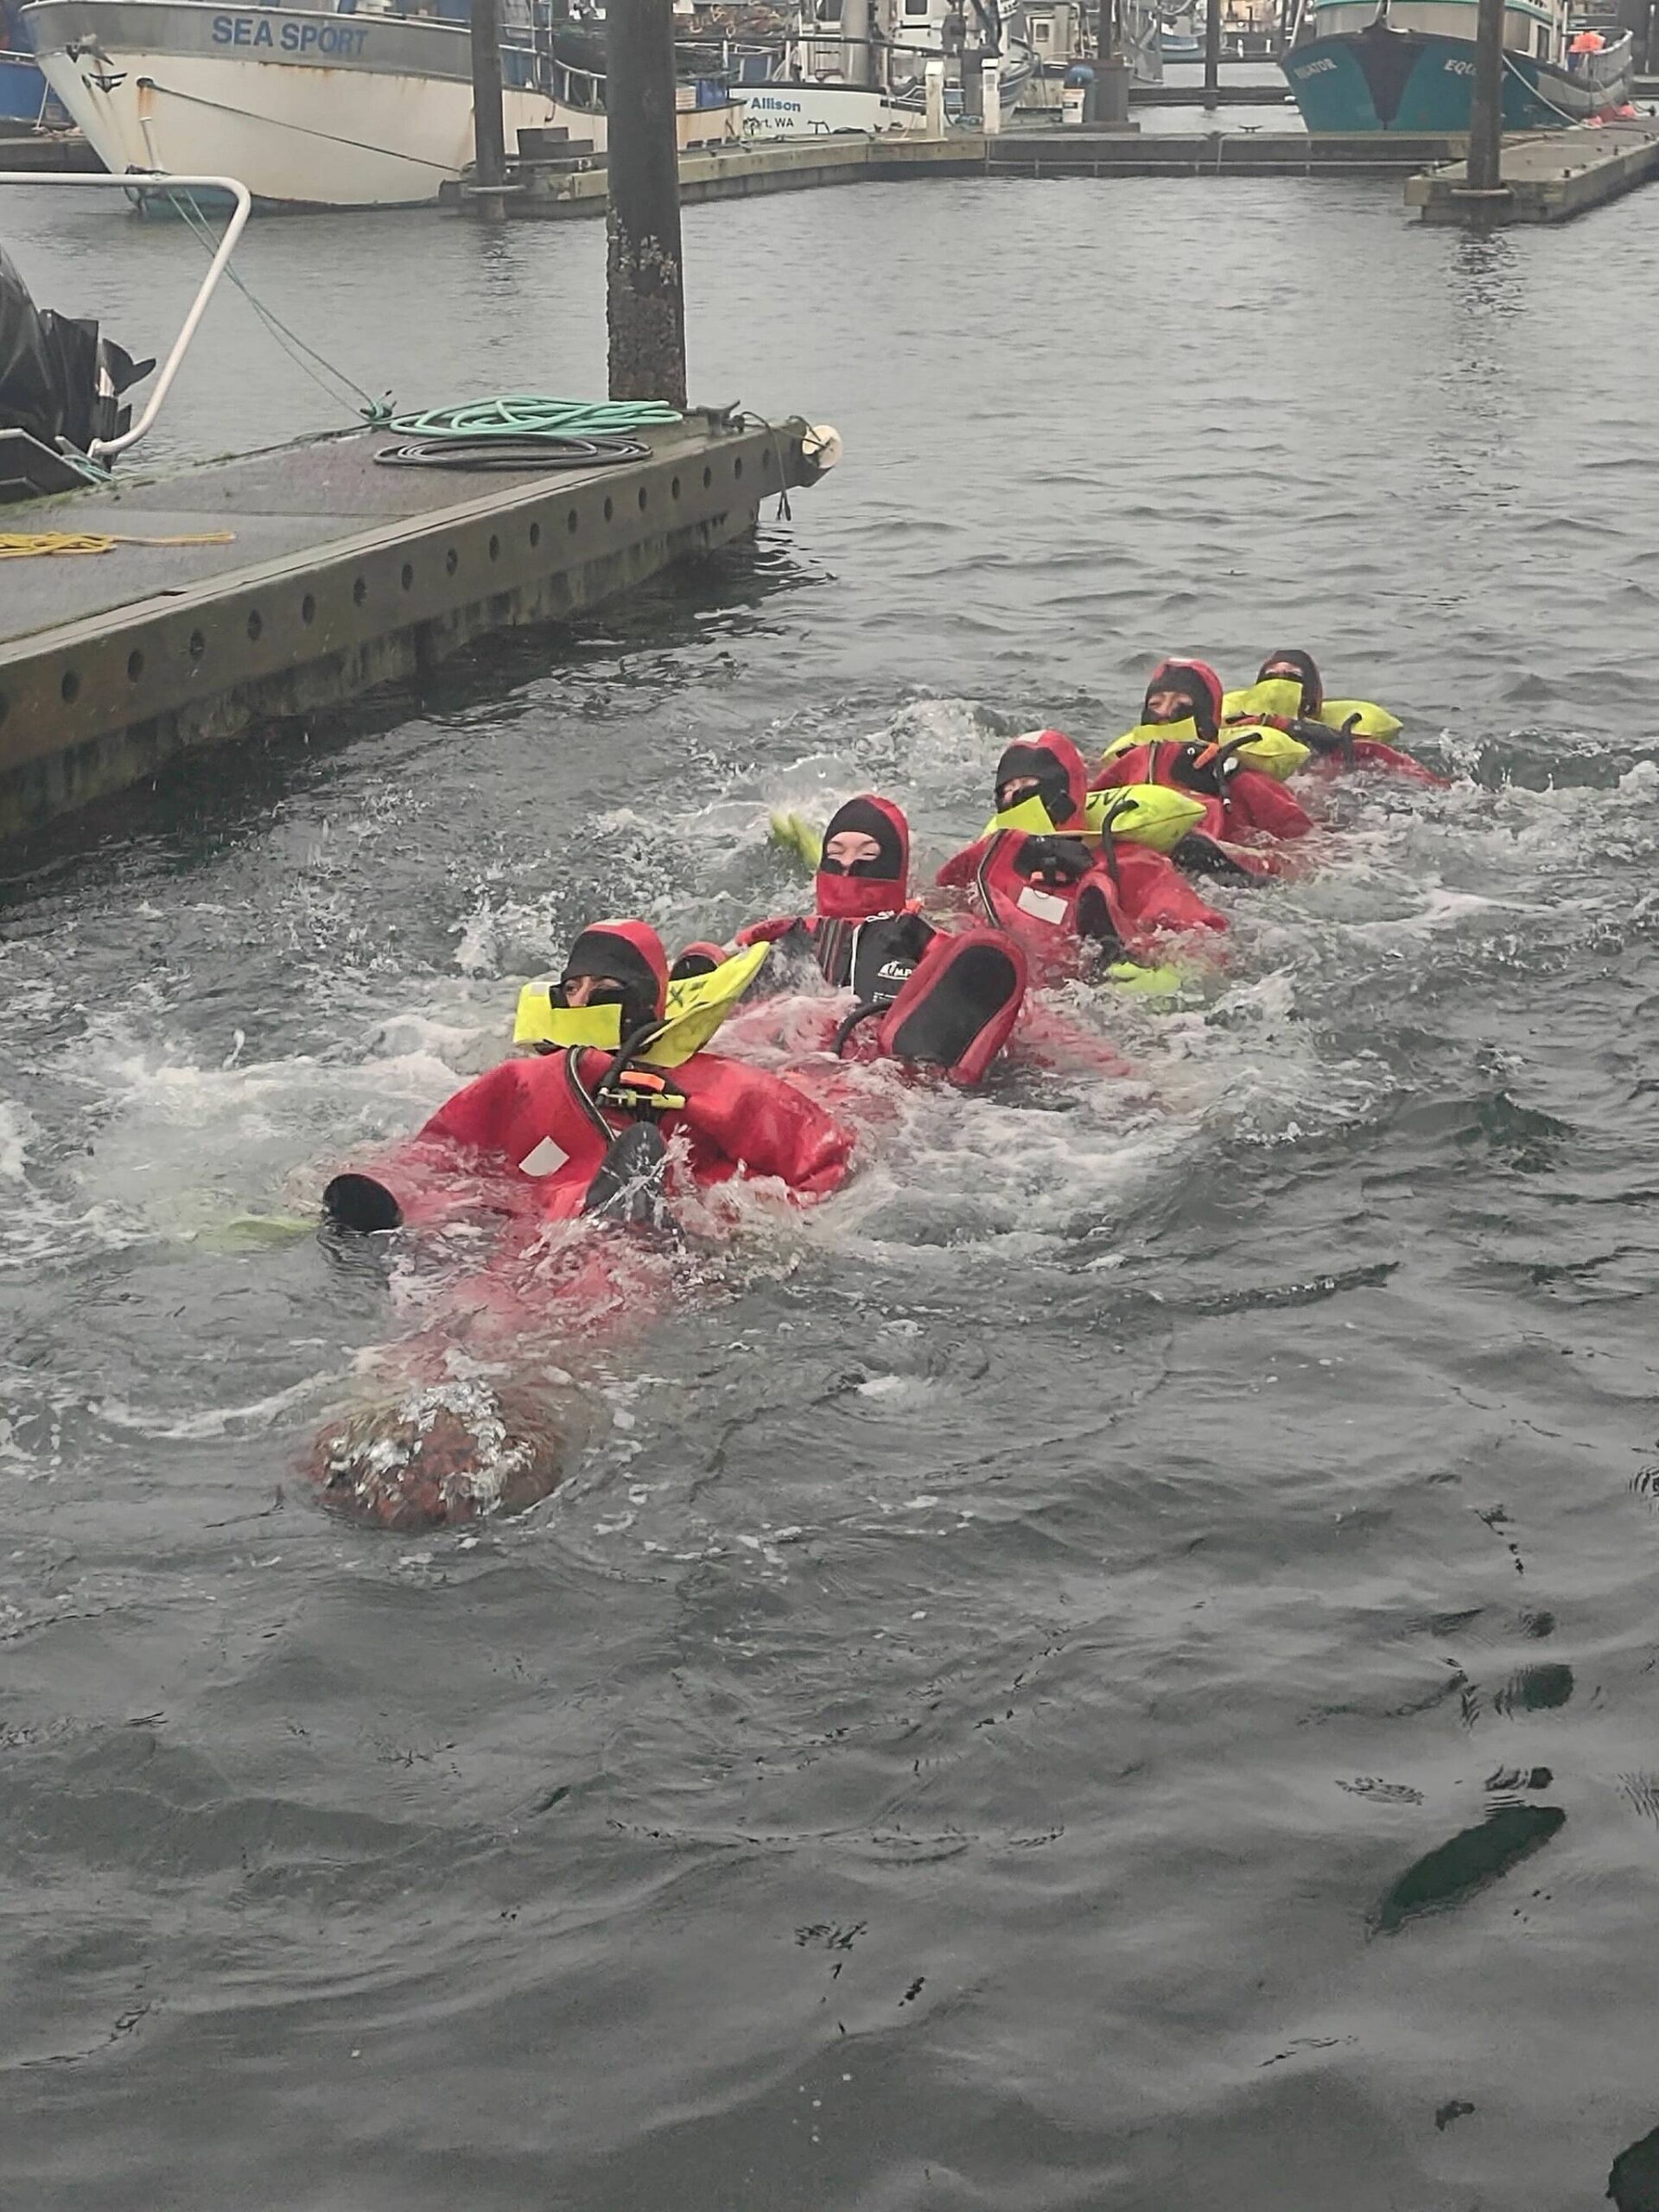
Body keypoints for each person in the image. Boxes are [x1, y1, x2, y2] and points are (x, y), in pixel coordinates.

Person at [322, 918, 855, 1235]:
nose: (582, 1001)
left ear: (645, 1000)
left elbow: (822, 1156)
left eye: (604, 986)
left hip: (637, 1222)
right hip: (527, 1210)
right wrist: (396, 1185)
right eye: (573, 987)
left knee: (596, 1264)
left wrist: (728, 1218)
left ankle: (630, 1213)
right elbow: (448, 1144)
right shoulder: (525, 1079)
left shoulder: (712, 1082)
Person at [735, 792, 1028, 1085]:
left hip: (878, 1071)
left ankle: (930, 1058)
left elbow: (991, 988)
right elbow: (730, 975)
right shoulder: (784, 933)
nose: (849, 864)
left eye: (867, 855)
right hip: (779, 1056)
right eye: (836, 854)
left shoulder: (916, 935)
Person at [936, 728, 1230, 966]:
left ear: (1065, 790)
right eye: (1005, 791)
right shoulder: (989, 864)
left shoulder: (1130, 862)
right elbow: (944, 902)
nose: (1014, 799)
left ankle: (1110, 947)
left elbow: (1206, 942)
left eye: (1027, 785)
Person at [1095, 658, 1315, 855]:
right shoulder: (1125, 765)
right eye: (1155, 703)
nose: (1165, 712)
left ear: (1206, 718)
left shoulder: (1237, 776)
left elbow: (1306, 843)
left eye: (1182, 704)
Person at [1225, 650, 1446, 786]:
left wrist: (1277, 723)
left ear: (1311, 692)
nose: (1278, 685)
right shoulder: (1232, 732)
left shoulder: (1345, 745)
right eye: (1270, 676)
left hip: (1335, 790)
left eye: (1293, 676)